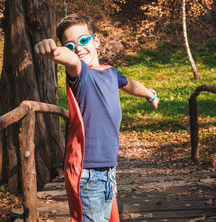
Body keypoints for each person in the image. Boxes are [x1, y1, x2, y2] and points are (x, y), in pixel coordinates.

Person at [35, 13, 159, 222]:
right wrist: (55, 51)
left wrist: (150, 94)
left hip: (108, 168)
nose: (79, 48)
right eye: (70, 45)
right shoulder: (82, 74)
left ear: (96, 40)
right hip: (89, 171)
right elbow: (72, 61)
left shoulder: (110, 72)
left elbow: (129, 84)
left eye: (83, 40)